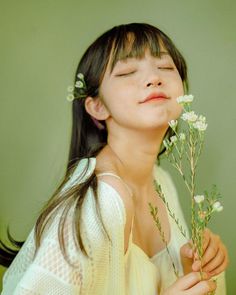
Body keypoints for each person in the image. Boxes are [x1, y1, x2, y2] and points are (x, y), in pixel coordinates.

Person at [0, 23, 228, 295]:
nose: (154, 78)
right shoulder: (100, 203)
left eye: (166, 68)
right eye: (128, 72)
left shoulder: (161, 181)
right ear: (97, 106)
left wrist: (196, 268)